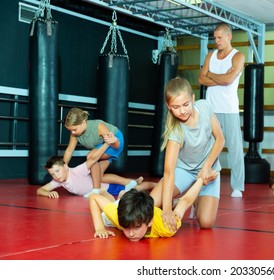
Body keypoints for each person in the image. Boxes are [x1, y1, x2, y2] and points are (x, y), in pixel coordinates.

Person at [148, 77, 224, 232]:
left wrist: (207, 166)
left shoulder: (204, 107)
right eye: (176, 107)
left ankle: (193, 200)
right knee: (150, 205)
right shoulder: (175, 132)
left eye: (185, 104)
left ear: (193, 99)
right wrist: (167, 210)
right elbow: (169, 172)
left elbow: (220, 140)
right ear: (168, 106)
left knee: (206, 222)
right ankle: (175, 201)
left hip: (209, 168)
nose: (182, 111)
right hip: (184, 170)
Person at [198, 22, 245, 198]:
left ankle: (237, 186)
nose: (216, 40)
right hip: (210, 108)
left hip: (229, 108)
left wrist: (210, 74)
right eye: (214, 37)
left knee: (234, 148)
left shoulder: (238, 56)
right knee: (208, 147)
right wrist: (220, 76)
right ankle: (205, 180)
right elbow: (201, 79)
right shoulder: (211, 55)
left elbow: (228, 80)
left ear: (229, 37)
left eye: (219, 37)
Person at [89, 176, 211, 241]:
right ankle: (108, 193)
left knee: (115, 202)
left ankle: (120, 196)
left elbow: (185, 201)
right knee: (106, 212)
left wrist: (201, 180)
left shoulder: (166, 227)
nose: (131, 234)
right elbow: (93, 197)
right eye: (126, 228)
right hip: (119, 209)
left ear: (150, 222)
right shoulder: (117, 216)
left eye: (136, 227)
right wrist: (100, 228)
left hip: (141, 210)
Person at [37, 142, 154, 198]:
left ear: (65, 167)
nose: (56, 176)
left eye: (57, 171)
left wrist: (106, 145)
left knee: (136, 189)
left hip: (108, 188)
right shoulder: (58, 181)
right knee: (131, 187)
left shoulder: (77, 171)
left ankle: (154, 184)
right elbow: (40, 190)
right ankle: (135, 180)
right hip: (104, 192)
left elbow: (93, 159)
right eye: (52, 174)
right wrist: (48, 193)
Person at [63, 107, 123, 196]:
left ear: (83, 122)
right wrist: (64, 165)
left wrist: (115, 141)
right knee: (99, 176)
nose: (73, 132)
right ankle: (131, 183)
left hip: (114, 143)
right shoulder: (74, 135)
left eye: (74, 129)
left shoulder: (98, 126)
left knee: (91, 156)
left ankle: (96, 190)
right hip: (102, 145)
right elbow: (69, 150)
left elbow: (115, 146)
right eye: (70, 130)